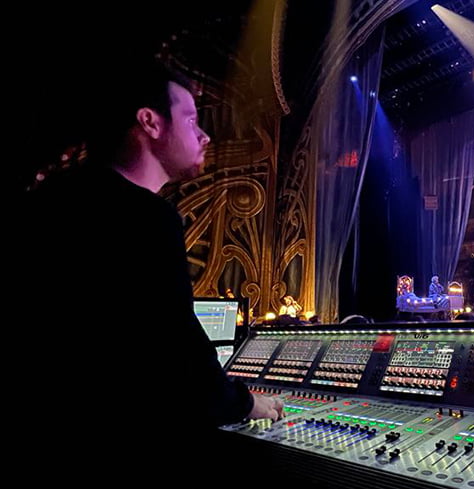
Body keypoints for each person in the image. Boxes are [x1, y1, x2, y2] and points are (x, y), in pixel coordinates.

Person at [17, 61, 282, 479]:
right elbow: (175, 349)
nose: (204, 134)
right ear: (149, 122)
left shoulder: (50, 196)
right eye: (192, 119)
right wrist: (245, 403)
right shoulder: (147, 218)